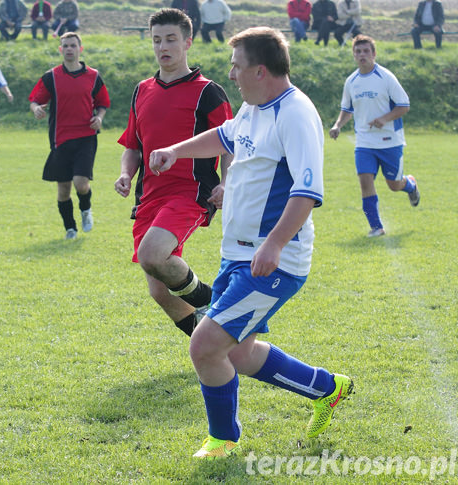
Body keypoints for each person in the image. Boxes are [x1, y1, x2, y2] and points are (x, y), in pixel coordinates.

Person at [149, 26, 354, 460]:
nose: (232, 73)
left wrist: (275, 244)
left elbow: (307, 191)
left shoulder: (295, 114)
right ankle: (327, 388)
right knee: (238, 354)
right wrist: (175, 150)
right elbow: (225, 137)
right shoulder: (253, 106)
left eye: (236, 66)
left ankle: (223, 440)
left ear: (260, 70)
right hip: (239, 255)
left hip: (272, 262)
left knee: (204, 347)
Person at [115, 8, 232, 337]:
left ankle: (220, 306)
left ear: (187, 42)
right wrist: (126, 174)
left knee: (153, 254)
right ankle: (215, 345)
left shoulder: (208, 91)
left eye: (170, 39)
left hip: (190, 193)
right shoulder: (142, 90)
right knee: (159, 291)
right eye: (156, 40)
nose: (162, 46)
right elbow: (133, 146)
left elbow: (230, 144)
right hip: (149, 197)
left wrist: (227, 183)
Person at [329, 35, 420, 238]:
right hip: (364, 142)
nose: (362, 55)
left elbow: (404, 105)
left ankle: (410, 185)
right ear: (354, 54)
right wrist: (337, 125)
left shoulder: (386, 77)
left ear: (374, 54)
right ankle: (376, 227)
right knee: (365, 181)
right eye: (358, 51)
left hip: (390, 141)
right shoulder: (351, 81)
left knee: (394, 185)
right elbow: (347, 109)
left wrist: (384, 119)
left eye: (366, 51)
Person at [29, 32, 110, 240]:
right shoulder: (52, 77)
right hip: (60, 139)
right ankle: (70, 229)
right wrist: (36, 108)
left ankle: (86, 209)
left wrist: (99, 118)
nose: (69, 49)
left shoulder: (93, 76)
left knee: (81, 184)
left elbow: (103, 103)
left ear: (80, 49)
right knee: (63, 189)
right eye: (65, 46)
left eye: (73, 45)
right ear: (60, 49)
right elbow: (35, 99)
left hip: (86, 137)